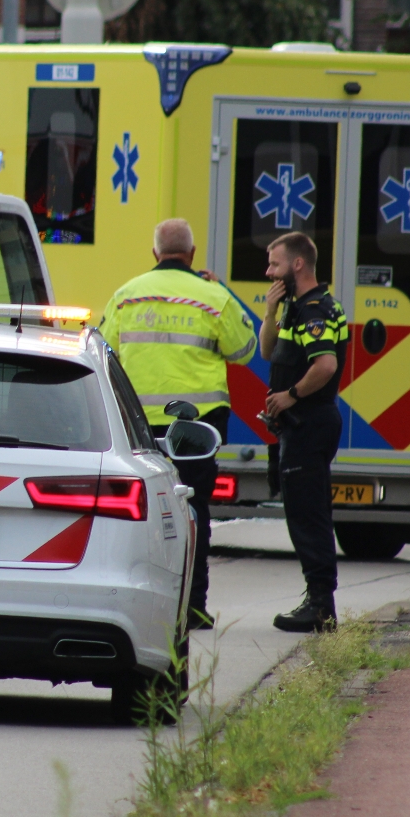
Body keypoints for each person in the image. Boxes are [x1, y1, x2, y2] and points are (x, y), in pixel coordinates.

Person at [100, 218, 256, 629]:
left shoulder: (125, 296)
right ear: (191, 254)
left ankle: (146, 606)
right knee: (193, 513)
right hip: (195, 432)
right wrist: (220, 289)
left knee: (142, 516)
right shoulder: (211, 296)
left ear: (155, 253)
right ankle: (193, 608)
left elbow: (102, 352)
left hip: (135, 429)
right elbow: (244, 348)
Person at [260, 231, 347, 633]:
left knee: (308, 516)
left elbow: (325, 365)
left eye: (274, 264)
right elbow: (267, 352)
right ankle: (318, 601)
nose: (268, 272)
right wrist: (269, 314)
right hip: (301, 425)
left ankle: (320, 607)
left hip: (310, 422)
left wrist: (291, 395)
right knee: (303, 513)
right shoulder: (297, 308)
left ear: (297, 264)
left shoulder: (315, 309)